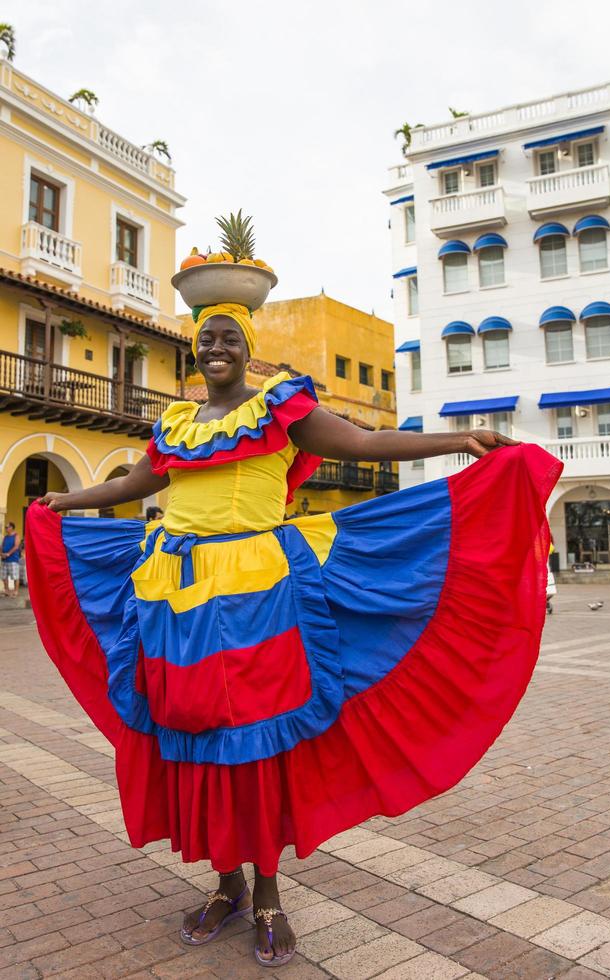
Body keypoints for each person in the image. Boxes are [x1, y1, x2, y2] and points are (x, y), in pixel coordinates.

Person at [27, 303, 561, 968]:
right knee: (191, 734)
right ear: (195, 352)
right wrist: (67, 503)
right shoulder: (176, 421)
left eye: (229, 339)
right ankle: (227, 885)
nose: (215, 348)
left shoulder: (280, 409)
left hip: (257, 593)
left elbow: (361, 443)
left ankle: (269, 895)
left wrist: (455, 443)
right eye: (206, 339)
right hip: (170, 594)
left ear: (248, 353)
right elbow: (143, 482)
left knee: (255, 741)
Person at [2, 521, 22, 598]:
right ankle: (7, 591)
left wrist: (8, 554)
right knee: (4, 576)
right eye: (5, 527)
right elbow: (2, 546)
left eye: (7, 527)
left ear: (11, 528)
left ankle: (15, 591)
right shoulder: (5, 537)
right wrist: (1, 554)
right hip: (4, 559)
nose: (6, 529)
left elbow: (16, 546)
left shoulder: (16, 536)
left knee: (15, 576)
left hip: (13, 559)